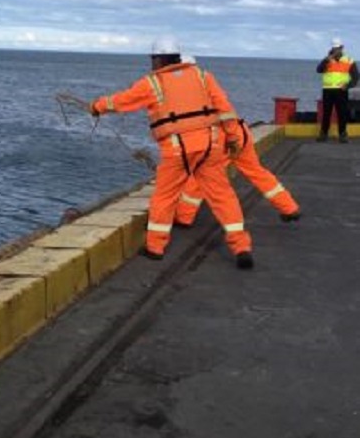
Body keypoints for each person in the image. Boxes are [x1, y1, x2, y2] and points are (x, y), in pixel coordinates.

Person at [90, 35, 255, 269]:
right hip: (210, 146)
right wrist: (234, 137)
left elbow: (122, 101)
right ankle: (241, 246)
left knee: (164, 197)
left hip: (177, 150)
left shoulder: (153, 83)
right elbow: (225, 109)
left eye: (153, 59)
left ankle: (155, 248)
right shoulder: (203, 76)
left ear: (158, 59)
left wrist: (96, 106)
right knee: (223, 197)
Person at [174, 56, 300, 227]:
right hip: (240, 132)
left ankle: (183, 218)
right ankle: (289, 208)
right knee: (257, 172)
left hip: (223, 137)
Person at [316, 38, 358, 142]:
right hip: (328, 90)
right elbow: (319, 70)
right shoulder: (327, 60)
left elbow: (356, 76)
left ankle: (342, 135)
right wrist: (326, 60)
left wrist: (348, 86)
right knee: (326, 113)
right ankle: (323, 134)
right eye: (334, 48)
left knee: (342, 113)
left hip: (341, 90)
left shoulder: (349, 60)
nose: (336, 50)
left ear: (342, 48)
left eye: (338, 48)